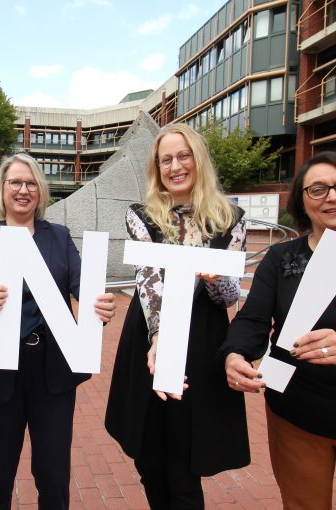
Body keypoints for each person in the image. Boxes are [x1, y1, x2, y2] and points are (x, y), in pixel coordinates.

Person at [222, 151, 336, 508]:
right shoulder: (280, 258)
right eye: (317, 190)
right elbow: (253, 319)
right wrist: (234, 354)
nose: (333, 197)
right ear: (303, 204)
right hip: (295, 416)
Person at [0, 152, 116, 509]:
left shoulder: (58, 236)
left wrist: (99, 304)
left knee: (54, 472)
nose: (23, 190)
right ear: (3, 189)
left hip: (53, 367)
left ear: (40, 192)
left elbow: (81, 283)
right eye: (15, 182)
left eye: (31, 183)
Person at [104, 123, 250, 509]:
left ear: (198, 159)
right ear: (157, 168)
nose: (175, 166)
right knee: (149, 456)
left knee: (184, 464)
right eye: (165, 159)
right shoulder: (141, 215)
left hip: (202, 339)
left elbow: (230, 297)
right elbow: (148, 283)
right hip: (149, 336)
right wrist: (159, 340)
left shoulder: (230, 218)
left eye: (183, 155)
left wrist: (218, 279)